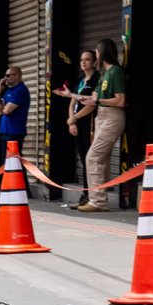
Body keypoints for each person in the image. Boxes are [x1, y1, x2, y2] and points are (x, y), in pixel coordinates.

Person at [76, 39, 126, 213]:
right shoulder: (103, 74)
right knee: (101, 159)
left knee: (93, 157)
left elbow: (120, 100)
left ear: (103, 52)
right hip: (101, 116)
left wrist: (99, 100)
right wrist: (71, 95)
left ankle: (98, 201)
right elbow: (91, 99)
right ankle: (97, 199)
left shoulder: (115, 72)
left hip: (112, 116)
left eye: (96, 52)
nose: (95, 55)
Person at [59, 50, 97, 207]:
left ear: (94, 62)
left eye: (87, 60)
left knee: (90, 159)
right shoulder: (81, 80)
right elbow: (72, 101)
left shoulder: (97, 79)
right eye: (82, 60)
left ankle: (91, 195)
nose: (84, 62)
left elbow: (91, 105)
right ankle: (86, 193)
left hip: (89, 123)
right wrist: (72, 122)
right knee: (83, 158)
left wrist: (75, 118)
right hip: (77, 123)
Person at [0, 64, 31, 194]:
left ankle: (19, 188)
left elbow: (7, 110)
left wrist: (3, 109)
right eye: (6, 75)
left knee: (14, 161)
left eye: (9, 75)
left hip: (15, 131)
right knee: (9, 161)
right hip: (5, 130)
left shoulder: (21, 90)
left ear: (17, 75)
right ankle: (19, 188)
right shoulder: (8, 91)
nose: (6, 78)